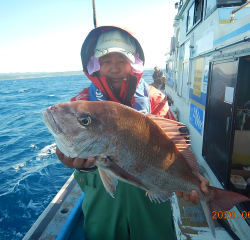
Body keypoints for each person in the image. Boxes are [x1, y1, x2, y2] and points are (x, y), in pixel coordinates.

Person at [56, 26, 209, 240]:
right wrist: (78, 162)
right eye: (106, 61)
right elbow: (75, 146)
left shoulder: (154, 99)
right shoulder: (81, 104)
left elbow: (175, 144)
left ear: (134, 64)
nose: (114, 68)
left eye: (122, 60)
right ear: (94, 66)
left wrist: (192, 176)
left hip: (150, 192)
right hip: (101, 197)